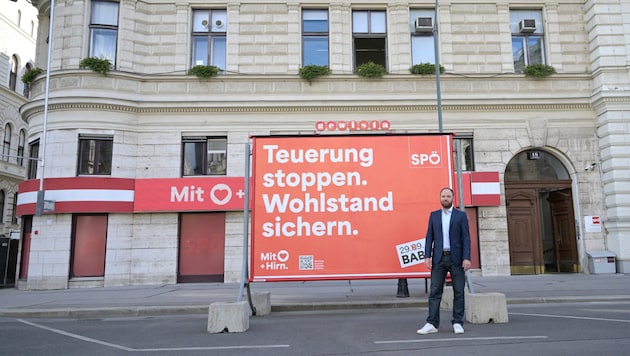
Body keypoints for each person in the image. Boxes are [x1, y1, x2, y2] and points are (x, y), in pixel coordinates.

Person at [417, 187, 471, 335]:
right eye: (443, 196)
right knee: (435, 291)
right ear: (440, 198)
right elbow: (429, 237)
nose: (445, 198)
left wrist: (467, 257)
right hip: (439, 258)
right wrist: (427, 256)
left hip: (457, 259)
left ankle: (458, 322)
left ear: (453, 198)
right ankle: (432, 323)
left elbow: (466, 238)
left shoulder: (461, 216)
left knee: (459, 291)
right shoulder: (434, 216)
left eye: (448, 196)